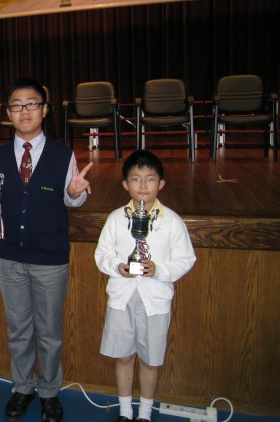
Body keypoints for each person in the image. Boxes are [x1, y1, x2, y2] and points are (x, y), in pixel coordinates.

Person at [0, 77, 93, 422]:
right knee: (18, 328)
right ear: (8, 113)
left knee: (49, 331)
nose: (25, 111)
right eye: (17, 105)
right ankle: (23, 387)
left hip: (49, 257)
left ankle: (49, 392)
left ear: (44, 110)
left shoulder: (64, 154)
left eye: (32, 104)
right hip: (10, 257)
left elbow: (72, 199)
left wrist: (75, 191)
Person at [95, 150, 196, 422]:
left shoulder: (171, 220)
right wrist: (117, 266)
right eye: (136, 179)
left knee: (151, 360)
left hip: (155, 301)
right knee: (124, 356)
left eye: (150, 179)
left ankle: (145, 414)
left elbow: (187, 258)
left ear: (161, 184)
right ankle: (126, 412)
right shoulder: (116, 218)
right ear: (125, 184)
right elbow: (102, 254)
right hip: (122, 298)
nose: (143, 185)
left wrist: (160, 270)